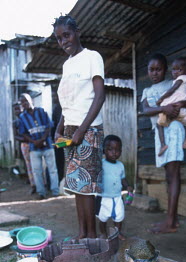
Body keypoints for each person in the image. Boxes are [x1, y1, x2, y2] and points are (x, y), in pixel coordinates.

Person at [53, 15, 105, 239]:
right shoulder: (67, 65)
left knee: (87, 189)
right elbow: (68, 103)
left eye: (67, 35)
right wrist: (58, 128)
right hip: (69, 131)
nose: (64, 41)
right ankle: (82, 233)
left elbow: (99, 96)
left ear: (77, 32)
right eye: (59, 38)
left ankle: (91, 237)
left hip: (88, 130)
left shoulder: (92, 57)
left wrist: (81, 131)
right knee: (75, 186)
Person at [141, 53, 186, 234]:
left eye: (159, 69)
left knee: (173, 174)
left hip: (173, 129)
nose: (155, 73)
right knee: (169, 175)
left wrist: (179, 104)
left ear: (166, 70)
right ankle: (171, 219)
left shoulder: (174, 83)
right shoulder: (147, 91)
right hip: (160, 133)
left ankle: (171, 222)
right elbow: (146, 110)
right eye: (151, 69)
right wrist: (163, 108)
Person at [19, 93, 59, 200]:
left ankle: (55, 191)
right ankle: (41, 193)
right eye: (22, 102)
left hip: (48, 145)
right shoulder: (22, 117)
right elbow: (23, 133)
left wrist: (42, 139)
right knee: (36, 171)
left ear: (31, 100)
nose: (24, 103)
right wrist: (34, 141)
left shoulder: (41, 111)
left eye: (26, 101)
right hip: (34, 148)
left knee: (52, 169)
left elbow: (49, 126)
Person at [97, 135, 133, 241]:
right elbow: (96, 177)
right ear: (104, 150)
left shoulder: (120, 165)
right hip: (103, 197)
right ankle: (103, 233)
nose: (114, 152)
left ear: (121, 151)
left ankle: (117, 233)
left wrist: (128, 186)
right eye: (110, 149)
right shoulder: (101, 164)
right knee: (102, 218)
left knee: (119, 216)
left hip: (117, 196)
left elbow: (123, 179)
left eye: (117, 150)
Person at [156, 56, 186, 156]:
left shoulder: (181, 79)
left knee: (159, 124)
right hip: (184, 109)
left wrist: (161, 98)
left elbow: (172, 90)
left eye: (179, 69)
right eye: (173, 69)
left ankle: (163, 144)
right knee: (183, 123)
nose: (175, 72)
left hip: (174, 106)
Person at [13, 102, 36, 194]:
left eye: (19, 108)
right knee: (29, 165)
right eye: (15, 109)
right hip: (25, 145)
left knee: (37, 164)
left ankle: (42, 184)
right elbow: (15, 136)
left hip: (34, 143)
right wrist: (26, 139)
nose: (17, 111)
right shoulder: (16, 122)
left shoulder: (29, 118)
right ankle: (33, 185)